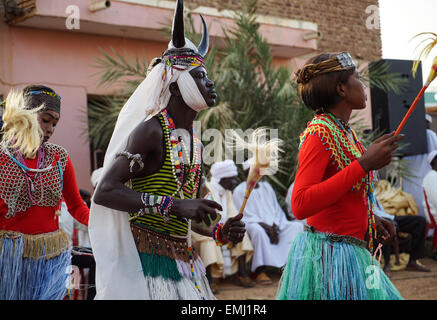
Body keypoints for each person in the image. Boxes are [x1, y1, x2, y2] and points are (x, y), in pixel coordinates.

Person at [89, 0, 246, 300]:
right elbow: (105, 191)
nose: (210, 82)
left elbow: (192, 207)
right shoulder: (150, 131)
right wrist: (174, 205)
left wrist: (218, 231)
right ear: (175, 87)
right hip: (147, 265)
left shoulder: (194, 140)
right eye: (200, 76)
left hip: (185, 263)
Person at [276, 52, 403, 300]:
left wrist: (370, 218)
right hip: (330, 257)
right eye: (357, 77)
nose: (363, 84)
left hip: (351, 252)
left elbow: (342, 195)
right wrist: (364, 164)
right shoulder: (319, 133)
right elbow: (300, 204)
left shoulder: (345, 133)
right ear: (341, 89)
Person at [0, 85, 90, 300]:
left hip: (50, 257)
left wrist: (106, 225)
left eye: (55, 124)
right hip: (8, 258)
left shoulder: (59, 158)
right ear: (26, 117)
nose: (50, 129)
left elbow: (77, 206)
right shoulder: (2, 157)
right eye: (46, 120)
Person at [233, 158, 304, 285]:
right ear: (247, 173)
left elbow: (276, 210)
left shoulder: (267, 187)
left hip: (274, 223)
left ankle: (290, 267)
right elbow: (244, 215)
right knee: (258, 231)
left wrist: (275, 225)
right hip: (252, 224)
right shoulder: (239, 190)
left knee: (296, 227)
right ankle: (260, 271)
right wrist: (266, 227)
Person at [192, 159, 254, 292]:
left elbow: (232, 213)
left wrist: (231, 227)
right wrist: (219, 229)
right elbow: (205, 219)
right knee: (209, 241)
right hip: (203, 231)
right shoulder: (206, 188)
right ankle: (209, 279)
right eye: (232, 179)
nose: (235, 182)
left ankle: (242, 274)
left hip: (221, 228)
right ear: (222, 179)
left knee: (241, 234)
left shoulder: (227, 192)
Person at [402, 114, 437, 219]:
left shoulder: (408, 135)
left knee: (413, 203)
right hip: (423, 174)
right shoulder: (429, 134)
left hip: (410, 177)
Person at [373, 194, 430, 275]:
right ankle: (387, 265)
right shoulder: (361, 189)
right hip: (377, 220)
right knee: (387, 227)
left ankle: (413, 261)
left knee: (420, 221)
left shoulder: (372, 189)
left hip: (389, 217)